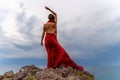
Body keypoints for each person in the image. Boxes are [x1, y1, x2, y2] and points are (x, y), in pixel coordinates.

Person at [40, 6, 84, 71]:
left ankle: (50, 67)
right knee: (61, 51)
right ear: (53, 18)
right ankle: (55, 65)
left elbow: (43, 33)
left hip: (47, 39)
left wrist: (41, 41)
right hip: (53, 38)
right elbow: (56, 14)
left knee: (49, 53)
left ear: (48, 18)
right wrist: (49, 9)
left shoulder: (45, 25)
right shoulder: (54, 24)